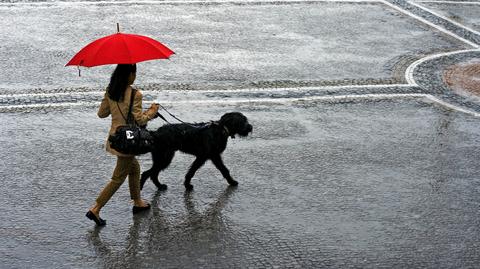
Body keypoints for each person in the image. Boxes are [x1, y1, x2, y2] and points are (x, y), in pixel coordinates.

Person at [86, 64, 159, 226]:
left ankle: (137, 200)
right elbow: (140, 120)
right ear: (129, 74)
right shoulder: (135, 94)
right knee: (117, 178)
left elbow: (102, 113)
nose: (135, 76)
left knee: (134, 169)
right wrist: (152, 111)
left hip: (115, 138)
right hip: (128, 141)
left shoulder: (111, 90)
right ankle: (96, 208)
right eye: (134, 73)